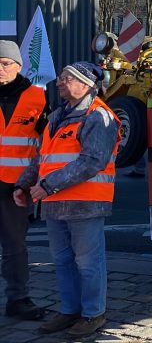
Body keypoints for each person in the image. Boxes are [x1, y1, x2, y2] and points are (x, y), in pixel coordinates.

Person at [14, 62, 120, 337]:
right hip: (54, 202)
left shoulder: (99, 116)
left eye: (66, 78)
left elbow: (92, 161)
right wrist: (24, 184)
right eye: (60, 77)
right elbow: (42, 157)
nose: (59, 82)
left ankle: (93, 314)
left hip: (85, 203)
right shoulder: (58, 116)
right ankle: (70, 310)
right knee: (62, 261)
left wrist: (47, 186)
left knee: (87, 262)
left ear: (85, 84)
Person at [0, 40, 48, 321]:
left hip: (15, 187)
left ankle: (18, 299)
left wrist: (38, 181)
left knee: (15, 245)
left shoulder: (37, 97)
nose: (0, 69)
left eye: (5, 64)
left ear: (18, 66)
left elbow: (49, 142)